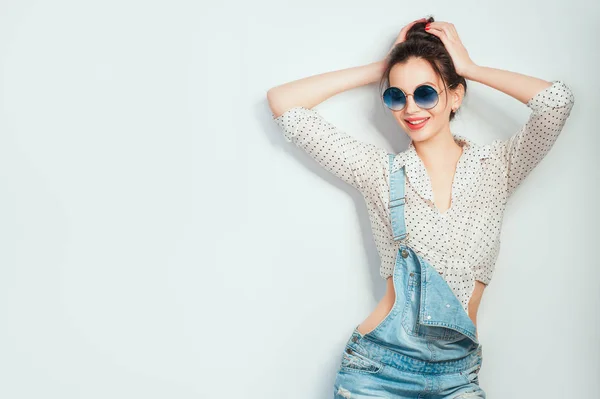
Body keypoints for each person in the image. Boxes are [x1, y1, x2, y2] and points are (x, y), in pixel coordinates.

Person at [266, 16, 575, 398]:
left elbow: (556, 102)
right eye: (397, 96)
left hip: (458, 377)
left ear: (455, 95)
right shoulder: (377, 171)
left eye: (426, 93)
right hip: (378, 371)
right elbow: (284, 104)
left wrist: (469, 68)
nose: (411, 107)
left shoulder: (498, 167)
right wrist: (382, 68)